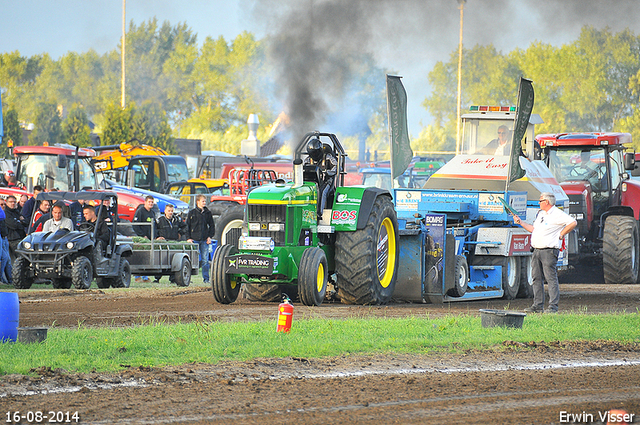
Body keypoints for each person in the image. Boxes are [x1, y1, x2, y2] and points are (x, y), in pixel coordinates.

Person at [513, 192, 577, 313]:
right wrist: (521, 223)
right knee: (536, 278)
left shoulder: (557, 214)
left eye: (540, 201)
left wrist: (561, 234)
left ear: (547, 202)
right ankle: (538, 305)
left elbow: (573, 222)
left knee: (550, 278)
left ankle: (553, 306)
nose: (539, 203)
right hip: (537, 249)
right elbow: (534, 229)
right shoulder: (541, 214)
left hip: (549, 251)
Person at [186, 194, 215, 283]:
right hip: (194, 240)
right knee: (191, 260)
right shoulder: (192, 213)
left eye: (205, 201)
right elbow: (187, 226)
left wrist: (209, 237)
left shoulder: (208, 213)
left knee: (205, 261)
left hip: (204, 240)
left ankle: (206, 279)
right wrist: (188, 238)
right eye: (203, 201)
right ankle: (188, 279)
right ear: (197, 202)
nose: (204, 203)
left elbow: (212, 226)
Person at [155, 204, 187, 283]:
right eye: (169, 211)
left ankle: (172, 279)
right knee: (162, 260)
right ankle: (157, 278)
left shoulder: (177, 219)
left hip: (174, 243)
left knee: (174, 261)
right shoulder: (160, 220)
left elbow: (185, 227)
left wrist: (180, 233)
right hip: (164, 243)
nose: (170, 213)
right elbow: (154, 229)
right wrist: (157, 237)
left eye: (172, 211)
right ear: (165, 211)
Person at [4, 195, 26, 263]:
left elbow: (25, 221)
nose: (13, 203)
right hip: (12, 239)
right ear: (6, 203)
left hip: (20, 237)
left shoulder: (16, 211)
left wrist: (20, 222)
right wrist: (20, 222)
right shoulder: (6, 213)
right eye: (11, 202)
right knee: (20, 258)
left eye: (14, 202)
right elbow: (13, 225)